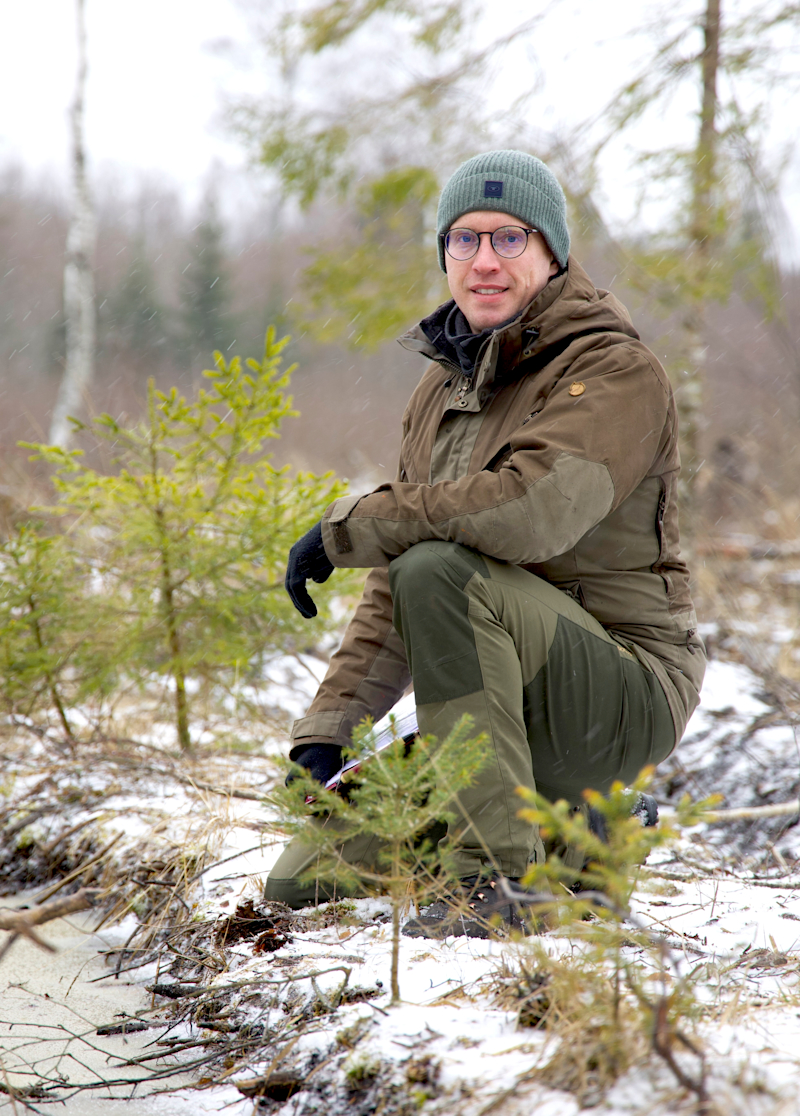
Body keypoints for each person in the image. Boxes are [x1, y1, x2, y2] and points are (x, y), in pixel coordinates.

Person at [266, 149, 706, 936]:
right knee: (306, 877)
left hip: (621, 688)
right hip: (500, 694)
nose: (484, 262)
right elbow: (400, 580)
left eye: (510, 239)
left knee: (441, 566)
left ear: (552, 253)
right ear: (444, 256)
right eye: (464, 240)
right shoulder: (443, 387)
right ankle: (584, 833)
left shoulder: (613, 370)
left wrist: (353, 526)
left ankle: (497, 884)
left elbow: (530, 515)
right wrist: (328, 731)